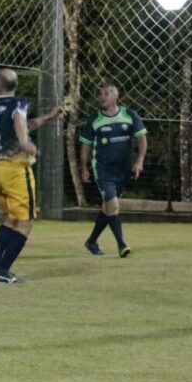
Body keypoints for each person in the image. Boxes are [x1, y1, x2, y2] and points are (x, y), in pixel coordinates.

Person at [0, 69, 64, 283]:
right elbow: (20, 123)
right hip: (15, 170)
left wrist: (49, 116)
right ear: (15, 85)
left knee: (11, 219)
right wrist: (25, 142)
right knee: (26, 223)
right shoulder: (19, 103)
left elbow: (25, 124)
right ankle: (3, 270)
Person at [78, 84, 148, 258]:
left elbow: (142, 140)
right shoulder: (94, 119)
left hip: (123, 170)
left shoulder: (129, 115)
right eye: (100, 94)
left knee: (107, 207)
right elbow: (85, 146)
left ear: (116, 96)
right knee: (114, 205)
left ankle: (92, 241)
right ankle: (121, 245)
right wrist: (84, 167)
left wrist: (139, 161)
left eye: (107, 93)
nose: (102, 96)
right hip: (103, 171)